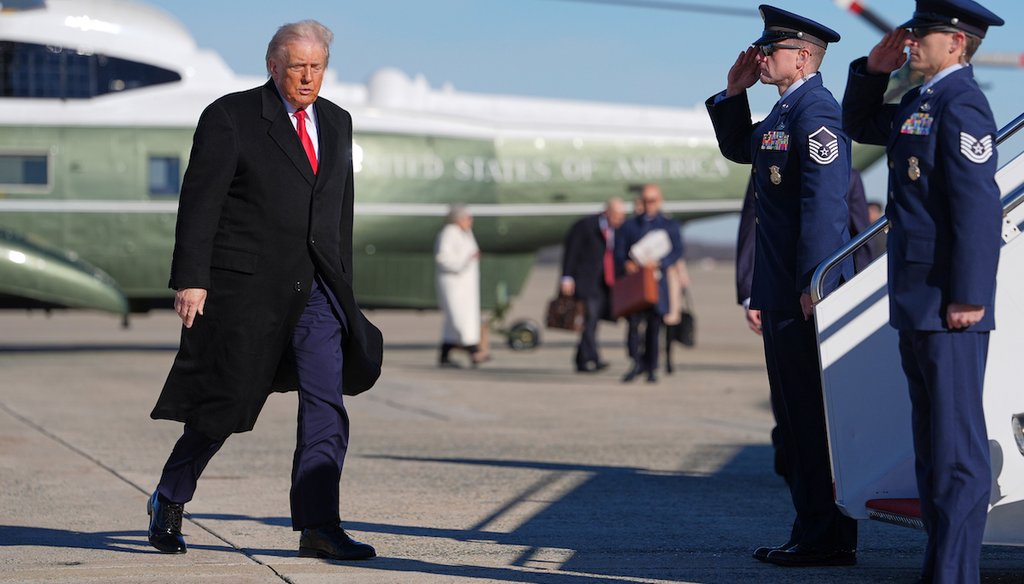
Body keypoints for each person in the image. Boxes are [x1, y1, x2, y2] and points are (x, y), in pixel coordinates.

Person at [147, 21, 382, 561]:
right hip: (246, 291)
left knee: (326, 406)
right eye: (296, 66)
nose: (307, 77)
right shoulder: (230, 116)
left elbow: (336, 211)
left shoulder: (337, 122)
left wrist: (342, 283)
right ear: (273, 65)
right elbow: (200, 203)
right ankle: (171, 495)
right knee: (225, 404)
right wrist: (191, 278)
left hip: (317, 292)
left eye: (316, 66)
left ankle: (319, 526)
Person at [842, 2, 1004, 581]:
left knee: (957, 453)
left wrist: (969, 293)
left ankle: (955, 575)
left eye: (921, 34)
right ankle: (941, 568)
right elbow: (859, 128)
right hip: (917, 295)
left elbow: (978, 208)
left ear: (957, 43)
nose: (909, 41)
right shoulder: (920, 99)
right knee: (931, 447)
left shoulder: (962, 104)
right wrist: (870, 71)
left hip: (948, 302)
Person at [705, 5, 857, 567]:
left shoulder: (815, 111)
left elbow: (824, 205)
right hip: (780, 287)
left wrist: (815, 281)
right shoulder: (784, 110)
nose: (761, 57)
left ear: (801, 57)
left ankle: (824, 534)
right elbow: (742, 150)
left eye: (770, 51)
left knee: (807, 415)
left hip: (800, 291)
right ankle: (818, 529)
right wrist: (732, 92)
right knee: (793, 417)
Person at [736, 168, 873, 336]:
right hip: (778, 293)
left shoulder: (849, 177)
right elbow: (751, 230)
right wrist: (749, 295)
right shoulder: (767, 168)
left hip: (837, 290)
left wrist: (863, 290)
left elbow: (861, 238)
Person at [615, 183, 684, 383]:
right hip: (635, 285)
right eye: (645, 201)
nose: (648, 205)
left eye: (652, 201)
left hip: (657, 283)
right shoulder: (629, 226)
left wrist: (661, 263)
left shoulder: (669, 225)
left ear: (659, 201)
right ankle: (635, 363)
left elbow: (677, 251)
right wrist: (627, 264)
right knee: (634, 326)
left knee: (655, 326)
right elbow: (619, 252)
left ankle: (652, 366)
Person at [560, 197, 627, 373]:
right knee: (589, 320)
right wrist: (567, 277)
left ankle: (580, 359)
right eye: (616, 216)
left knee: (594, 322)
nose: (619, 220)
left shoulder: (619, 231)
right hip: (586, 281)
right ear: (606, 212)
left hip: (606, 283)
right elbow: (571, 252)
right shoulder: (586, 226)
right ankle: (594, 359)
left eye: (622, 216)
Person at [435, 205, 486, 367]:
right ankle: (474, 351)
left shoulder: (466, 233)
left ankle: (445, 354)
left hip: (466, 284)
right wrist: (465, 260)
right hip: (453, 283)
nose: (471, 221)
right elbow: (443, 259)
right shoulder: (449, 234)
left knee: (454, 321)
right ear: (458, 219)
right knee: (459, 318)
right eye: (468, 218)